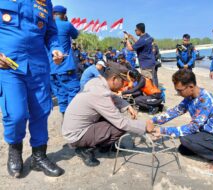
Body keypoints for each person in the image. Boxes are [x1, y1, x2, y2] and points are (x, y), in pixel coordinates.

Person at [0, 0, 64, 178]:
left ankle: (39, 156)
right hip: (8, 66)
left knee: (41, 112)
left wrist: (56, 49)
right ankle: (15, 150)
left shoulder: (45, 2)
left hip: (38, 66)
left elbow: (51, 33)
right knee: (16, 114)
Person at [62, 63, 155, 166]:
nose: (125, 86)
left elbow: (112, 96)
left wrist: (127, 106)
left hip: (73, 128)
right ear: (114, 79)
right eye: (124, 82)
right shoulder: (100, 94)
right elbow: (122, 123)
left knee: (113, 112)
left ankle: (104, 145)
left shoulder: (96, 82)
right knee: (119, 127)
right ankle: (84, 149)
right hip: (77, 136)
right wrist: (145, 126)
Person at [152, 69, 213, 169]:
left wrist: (163, 130)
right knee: (183, 149)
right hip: (207, 133)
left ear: (191, 87)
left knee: (185, 138)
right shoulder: (190, 97)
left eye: (179, 90)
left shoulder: (206, 101)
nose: (178, 93)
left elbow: (192, 127)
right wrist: (153, 121)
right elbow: (176, 111)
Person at [50, 5, 80, 116]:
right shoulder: (66, 24)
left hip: (52, 68)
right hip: (65, 66)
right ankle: (71, 119)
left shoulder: (47, 26)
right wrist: (67, 21)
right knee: (73, 90)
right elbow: (76, 35)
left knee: (60, 94)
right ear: (64, 15)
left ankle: (64, 116)